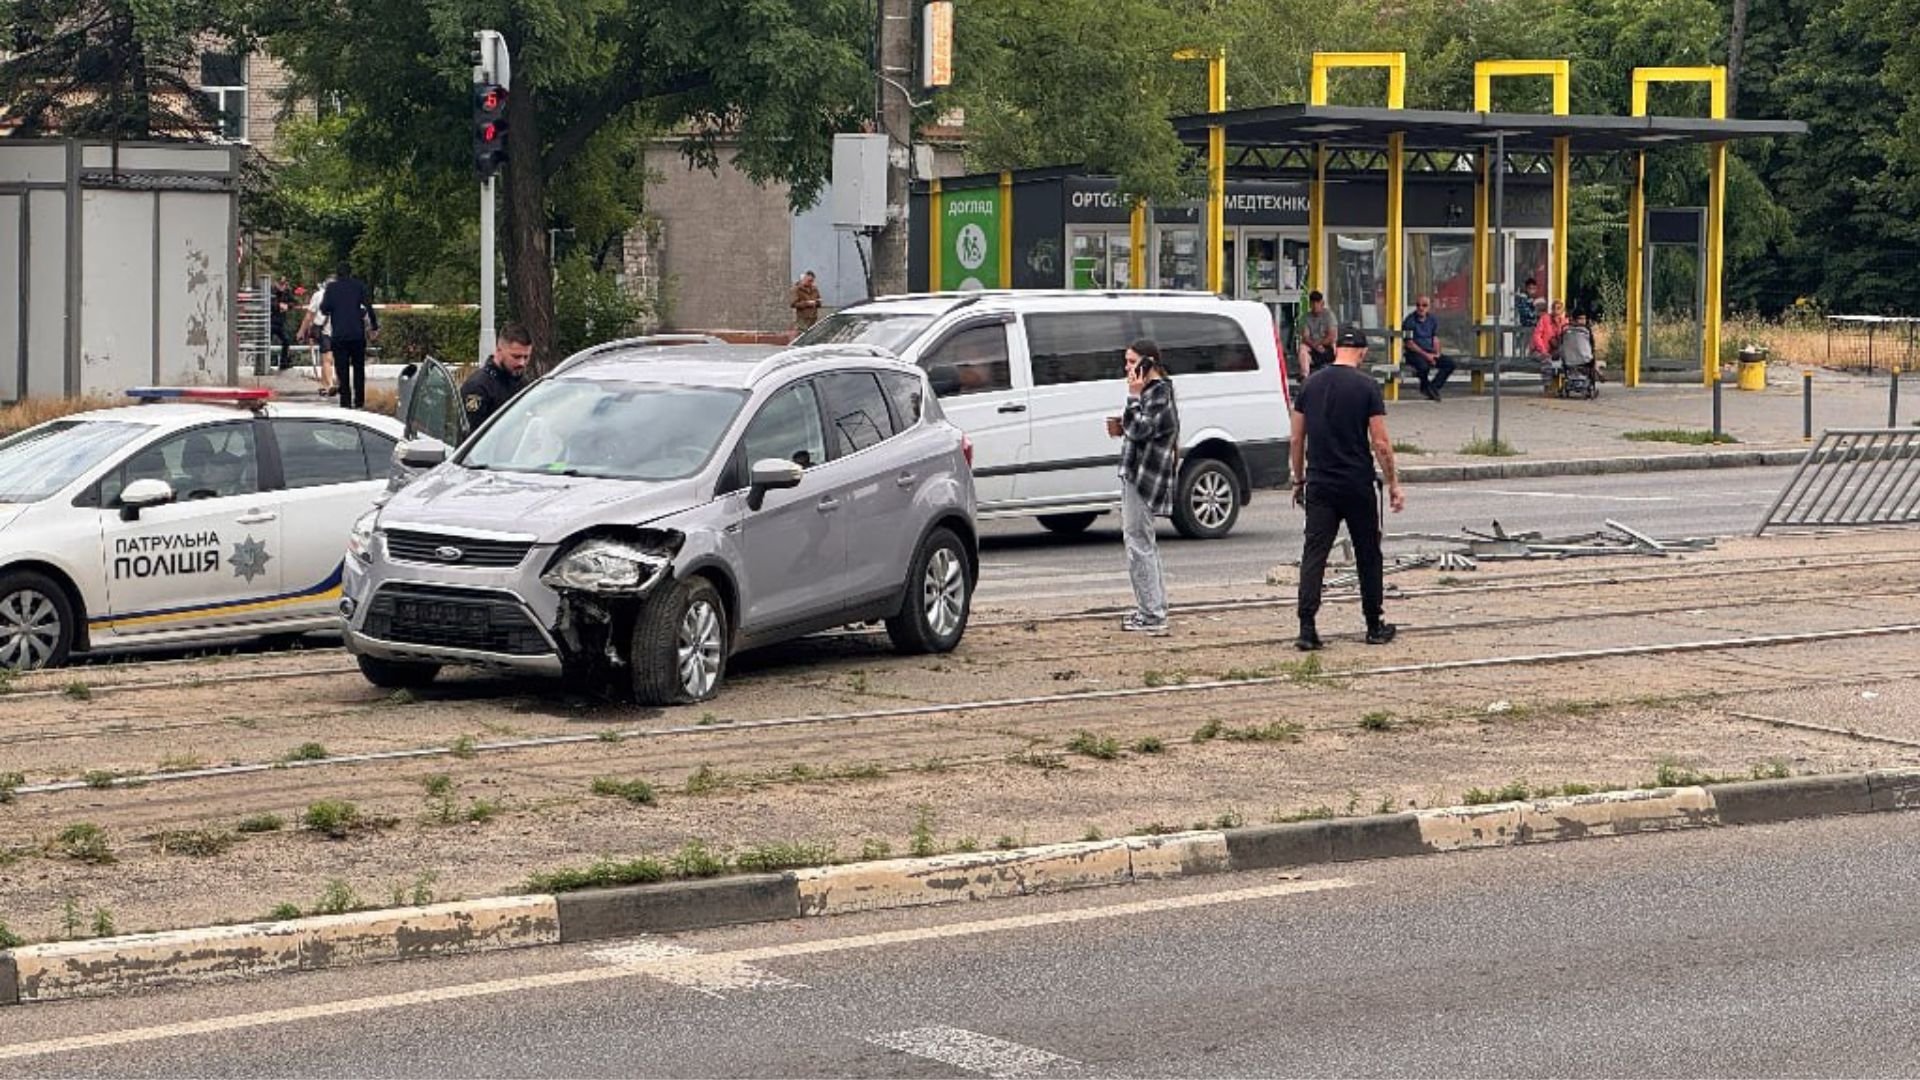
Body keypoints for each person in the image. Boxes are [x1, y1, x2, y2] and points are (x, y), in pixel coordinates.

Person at [1290, 325, 1403, 651]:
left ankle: (1307, 627)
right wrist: (1394, 483)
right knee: (1368, 553)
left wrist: (1299, 480)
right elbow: (1380, 442)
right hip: (1356, 484)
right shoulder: (1367, 387)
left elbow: (1297, 438)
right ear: (1363, 353)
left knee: (1315, 554)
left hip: (1321, 484)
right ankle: (1373, 624)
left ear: (1336, 348)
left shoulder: (1309, 385)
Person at [1108, 338, 1179, 636]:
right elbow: (1136, 428)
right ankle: (1154, 607)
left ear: (1147, 363)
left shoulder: (1157, 393)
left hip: (1145, 476)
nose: (1126, 367)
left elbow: (1141, 429)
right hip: (1137, 472)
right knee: (1141, 540)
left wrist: (1132, 398)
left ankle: (1152, 614)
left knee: (1138, 542)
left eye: (1131, 361)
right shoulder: (1153, 391)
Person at [318, 261, 378, 409]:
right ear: (350, 273)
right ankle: (359, 401)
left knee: (342, 369)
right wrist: (374, 327)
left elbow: (324, 309)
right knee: (359, 368)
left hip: (339, 335)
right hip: (357, 334)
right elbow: (368, 307)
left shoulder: (332, 288)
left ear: (337, 274)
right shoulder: (359, 286)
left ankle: (345, 401)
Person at [462, 322, 534, 428]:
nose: (522, 363)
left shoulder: (523, 383)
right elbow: (472, 436)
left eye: (526, 357)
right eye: (516, 357)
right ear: (499, 350)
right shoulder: (478, 387)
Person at [1401, 295, 1455, 401]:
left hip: (1430, 352)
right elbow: (1409, 343)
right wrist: (1427, 356)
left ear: (1429, 307)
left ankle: (1432, 387)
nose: (1421, 308)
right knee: (1423, 366)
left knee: (1450, 364)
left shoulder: (1432, 320)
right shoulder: (1409, 321)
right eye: (1418, 305)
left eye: (1424, 305)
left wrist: (1437, 353)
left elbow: (1435, 338)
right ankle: (1427, 388)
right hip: (1415, 353)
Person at [295, 274, 337, 397]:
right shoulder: (341, 295)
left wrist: (301, 332)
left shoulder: (318, 295)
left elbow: (309, 316)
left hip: (326, 331)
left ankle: (325, 386)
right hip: (333, 331)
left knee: (327, 360)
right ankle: (329, 385)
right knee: (328, 359)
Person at [1531, 299, 1568, 393]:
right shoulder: (1544, 319)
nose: (1556, 311)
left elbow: (1566, 337)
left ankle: (1567, 385)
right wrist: (1543, 350)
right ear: (1551, 309)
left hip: (1553, 351)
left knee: (1567, 356)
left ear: (1562, 310)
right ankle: (1547, 386)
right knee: (1546, 359)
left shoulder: (1564, 322)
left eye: (1559, 308)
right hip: (1539, 350)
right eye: (1554, 308)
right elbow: (1537, 336)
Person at [1300, 290, 1337, 379]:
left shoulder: (1329, 315)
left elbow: (1331, 336)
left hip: (1327, 344)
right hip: (1312, 344)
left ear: (1322, 303)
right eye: (1313, 303)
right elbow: (1305, 337)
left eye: (1317, 302)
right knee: (1302, 348)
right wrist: (1315, 345)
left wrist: (1320, 344)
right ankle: (1304, 375)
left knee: (1337, 347)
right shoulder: (1306, 317)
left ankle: (1337, 373)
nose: (1315, 305)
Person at [270, 277, 294, 369]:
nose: (282, 286)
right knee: (267, 342)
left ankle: (283, 363)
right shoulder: (271, 292)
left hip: (280, 323)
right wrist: (278, 305)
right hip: (270, 322)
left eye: (284, 284)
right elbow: (268, 303)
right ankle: (264, 363)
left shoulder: (287, 292)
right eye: (280, 284)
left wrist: (287, 306)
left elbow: (293, 303)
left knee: (286, 340)